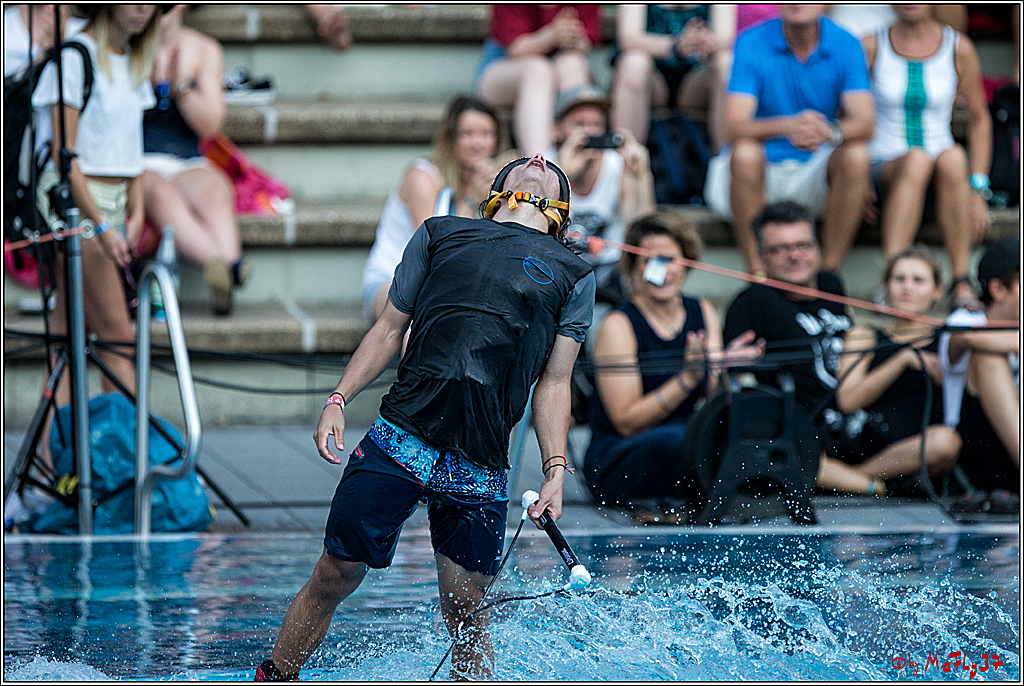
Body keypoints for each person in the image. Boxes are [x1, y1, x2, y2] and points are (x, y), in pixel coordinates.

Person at [254, 155, 596, 681]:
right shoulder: (440, 234)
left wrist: (555, 468)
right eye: (523, 162)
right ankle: (274, 676)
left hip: (479, 463)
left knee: (465, 611)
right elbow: (390, 330)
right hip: (400, 437)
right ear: (497, 194)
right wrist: (338, 399)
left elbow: (553, 382)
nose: (535, 159)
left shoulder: (574, 273)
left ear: (561, 214)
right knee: (334, 573)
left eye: (548, 166)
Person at [584, 212, 764, 520]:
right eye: (649, 261)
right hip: (623, 455)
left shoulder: (701, 309)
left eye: (670, 259)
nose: (661, 271)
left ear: (688, 262)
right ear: (634, 267)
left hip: (684, 443)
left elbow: (710, 395)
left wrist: (723, 368)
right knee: (678, 441)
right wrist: (687, 379)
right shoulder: (618, 324)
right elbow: (627, 422)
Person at [32, 4, 162, 401]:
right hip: (75, 203)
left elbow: (132, 151)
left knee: (66, 338)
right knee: (117, 339)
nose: (144, 8)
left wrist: (136, 210)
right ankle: (124, 458)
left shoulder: (132, 60)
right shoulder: (74, 57)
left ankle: (55, 458)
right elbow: (63, 157)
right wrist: (103, 227)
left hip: (113, 203)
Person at [722, 200, 884, 495]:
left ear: (818, 248)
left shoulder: (830, 284)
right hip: (805, 435)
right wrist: (732, 361)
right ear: (761, 257)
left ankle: (852, 480)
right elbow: (732, 378)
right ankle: (871, 484)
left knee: (942, 443)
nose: (795, 255)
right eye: (781, 249)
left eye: (803, 245)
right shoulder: (753, 302)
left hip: (861, 421)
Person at [704, 4, 874, 275]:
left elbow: (866, 122)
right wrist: (789, 125)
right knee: (745, 152)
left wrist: (829, 132)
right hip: (760, 170)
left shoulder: (846, 42)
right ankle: (757, 273)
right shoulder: (750, 41)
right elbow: (733, 127)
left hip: (812, 167)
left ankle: (830, 275)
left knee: (856, 155)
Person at [862, 4, 991, 312]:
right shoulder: (871, 44)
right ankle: (893, 277)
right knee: (918, 160)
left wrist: (978, 189)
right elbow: (849, 111)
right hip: (886, 163)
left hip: (943, 172)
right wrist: (859, 180)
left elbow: (979, 119)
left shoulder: (958, 46)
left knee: (954, 157)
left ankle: (961, 278)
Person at [141, 4, 249, 316]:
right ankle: (229, 267)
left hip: (186, 157)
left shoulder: (203, 48)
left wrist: (182, 88)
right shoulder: (128, 45)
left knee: (215, 192)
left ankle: (225, 273)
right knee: (163, 197)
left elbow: (210, 126)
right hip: (139, 160)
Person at [361, 95, 504, 323]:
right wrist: (471, 201)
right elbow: (438, 252)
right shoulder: (423, 176)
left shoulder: (496, 185)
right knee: (422, 317)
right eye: (467, 134)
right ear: (451, 138)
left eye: (486, 134)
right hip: (393, 280)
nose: (478, 143)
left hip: (453, 290)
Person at [834, 246, 960, 493]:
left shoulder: (950, 339)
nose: (907, 288)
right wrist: (902, 359)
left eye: (918, 280)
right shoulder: (865, 335)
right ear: (886, 287)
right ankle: (871, 481)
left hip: (927, 449)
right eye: (899, 279)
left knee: (945, 443)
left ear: (937, 291)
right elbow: (847, 400)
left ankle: (846, 480)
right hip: (873, 441)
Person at [544, 85, 655, 305]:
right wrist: (566, 174)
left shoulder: (617, 165)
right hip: (556, 271)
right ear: (556, 129)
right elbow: (539, 234)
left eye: (597, 124)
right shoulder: (544, 167)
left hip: (609, 274)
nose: (591, 132)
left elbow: (640, 228)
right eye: (580, 124)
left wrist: (641, 177)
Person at [939, 236, 1020, 494]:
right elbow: (964, 337)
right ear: (998, 290)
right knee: (987, 355)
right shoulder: (966, 318)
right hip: (976, 455)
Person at [476, 4, 601, 155]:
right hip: (501, 72)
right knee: (539, 70)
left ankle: (577, 157)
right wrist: (552, 36)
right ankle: (540, 164)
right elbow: (515, 49)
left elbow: (586, 42)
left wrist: (572, 35)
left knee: (572, 63)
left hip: (560, 69)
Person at [611, 4, 732, 149]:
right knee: (634, 63)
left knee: (726, 63)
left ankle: (730, 162)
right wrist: (676, 46)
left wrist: (704, 41)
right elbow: (628, 38)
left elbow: (726, 38)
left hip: (697, 79)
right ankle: (625, 158)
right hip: (654, 79)